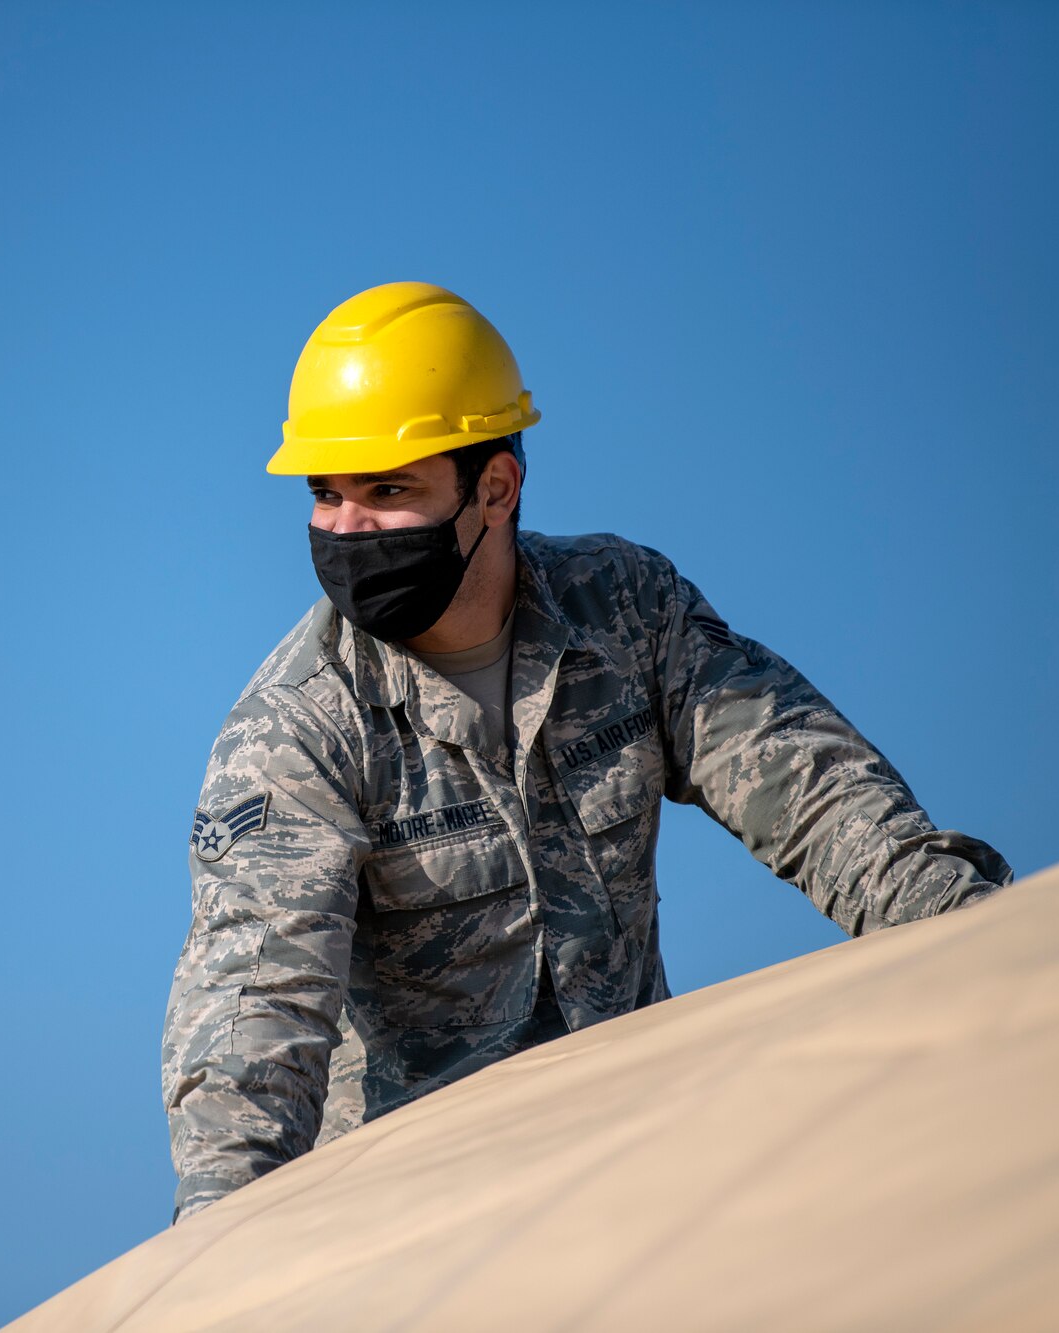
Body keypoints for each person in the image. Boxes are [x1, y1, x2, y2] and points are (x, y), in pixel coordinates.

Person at [161, 281, 1012, 1223]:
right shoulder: (300, 729)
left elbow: (811, 787)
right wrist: (218, 1246)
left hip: (653, 1170)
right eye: (326, 493)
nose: (347, 529)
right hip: (418, 1233)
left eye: (388, 489)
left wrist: (979, 944)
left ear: (496, 487)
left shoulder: (626, 606)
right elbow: (254, 1003)